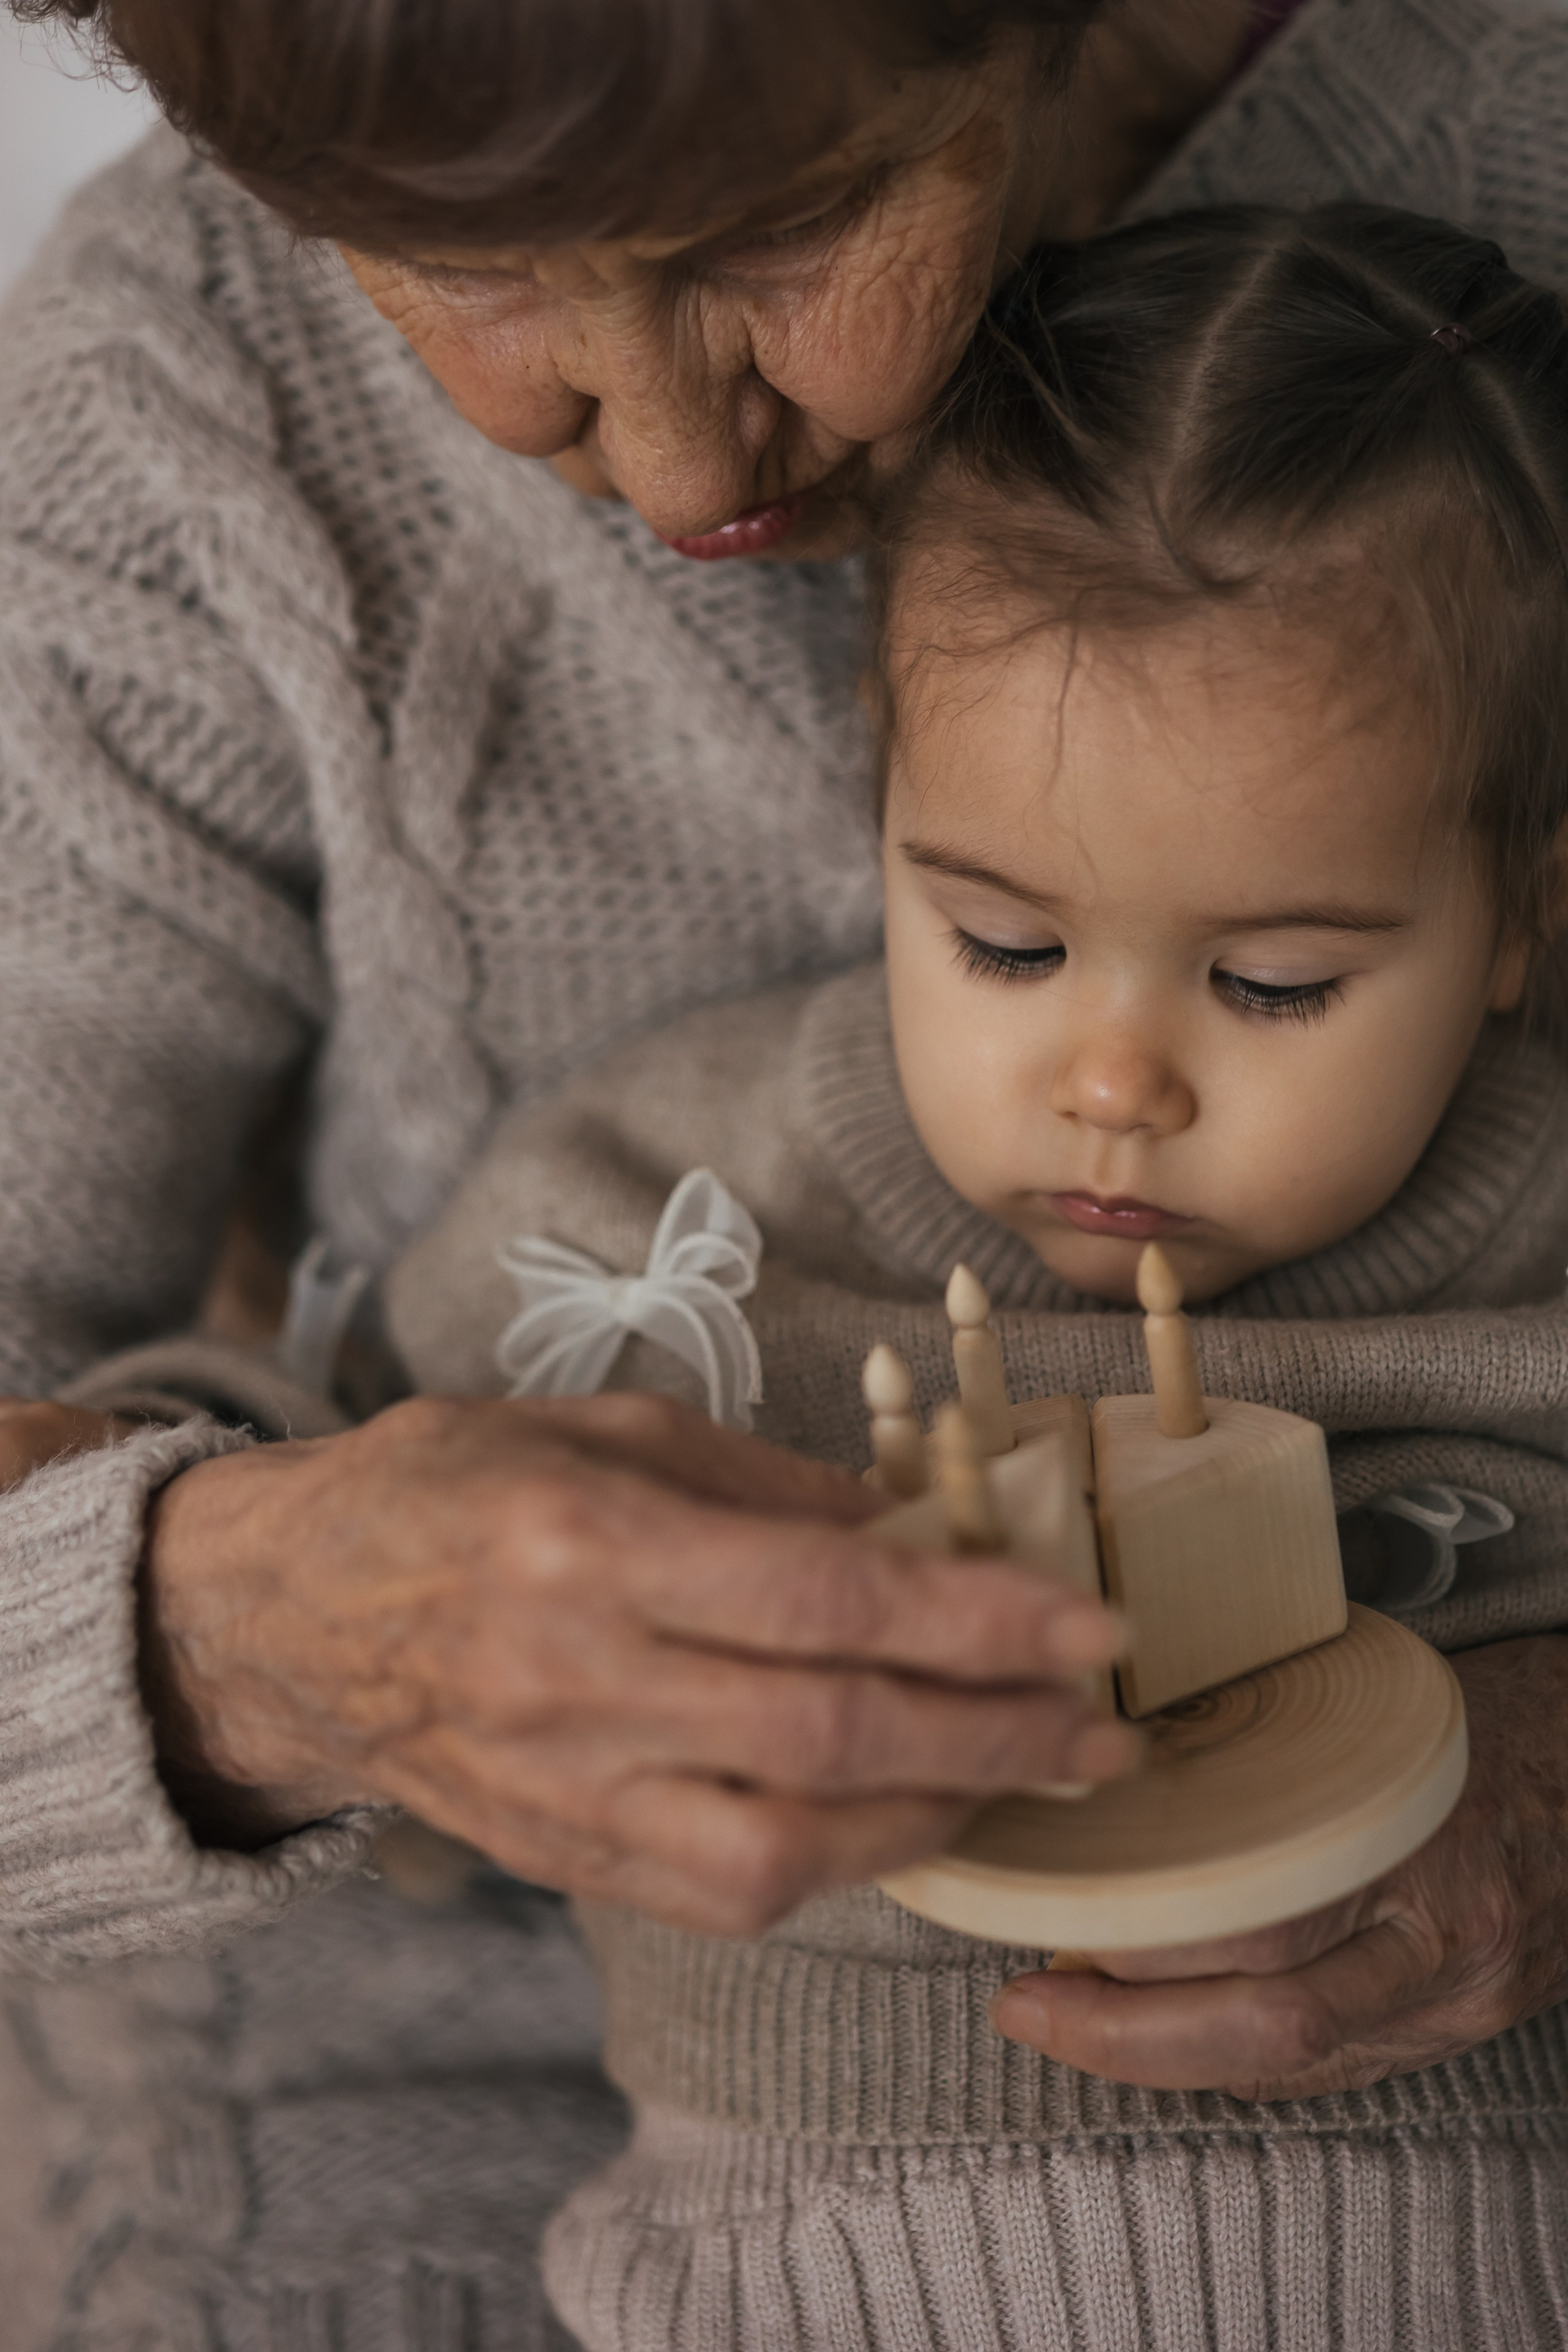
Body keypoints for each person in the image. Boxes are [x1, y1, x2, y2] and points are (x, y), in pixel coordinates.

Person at [1, 0, 1567, 2339]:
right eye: (447, 263)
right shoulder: (162, 421)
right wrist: (249, 1631)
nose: (649, 452)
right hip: (392, 2154)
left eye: (778, 226)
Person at [375, 201, 1568, 2348]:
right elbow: (349, 1568)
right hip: (778, 2269)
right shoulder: (651, 1220)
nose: (1114, 1082)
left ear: (1518, 921)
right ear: (881, 803)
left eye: (1279, 983)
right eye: (1005, 945)